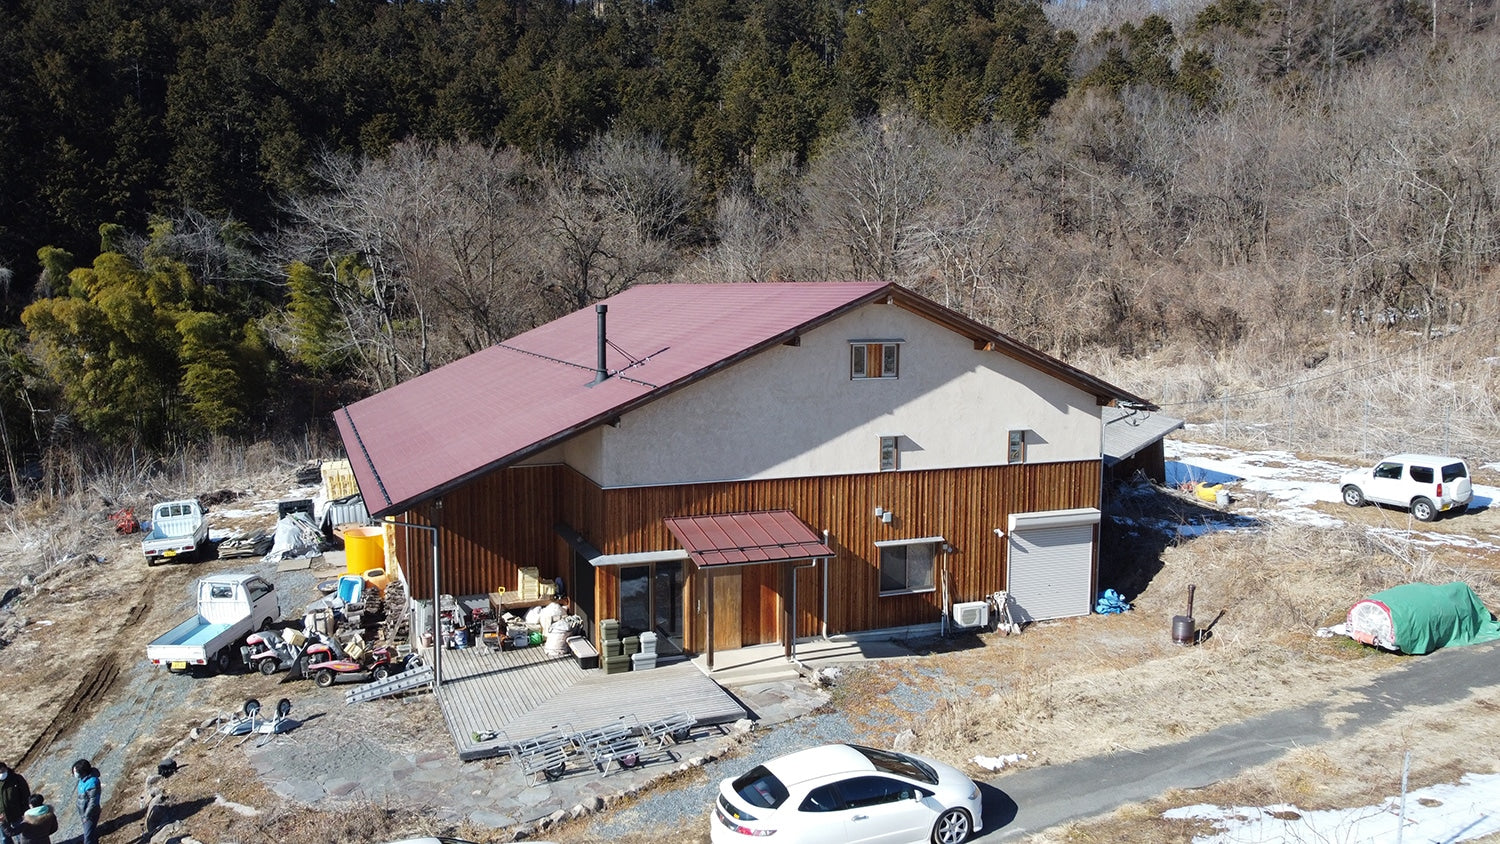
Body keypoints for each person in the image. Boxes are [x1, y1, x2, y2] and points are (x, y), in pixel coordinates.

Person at [0, 761, 30, 844]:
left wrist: (25, 811)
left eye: (2, 771)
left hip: (17, 815)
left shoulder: (16, 779)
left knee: (22, 838)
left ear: (6, 768)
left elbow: (26, 795)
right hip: (2, 818)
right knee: (4, 840)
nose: (1, 774)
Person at [71, 761, 99, 844]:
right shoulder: (83, 779)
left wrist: (86, 816)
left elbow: (92, 802)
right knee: (90, 833)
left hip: (90, 814)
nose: (74, 773)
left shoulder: (92, 783)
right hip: (84, 812)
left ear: (83, 771)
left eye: (76, 772)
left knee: (87, 837)